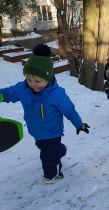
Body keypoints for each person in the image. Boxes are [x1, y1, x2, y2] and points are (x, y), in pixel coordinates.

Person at [0, 44, 89, 184]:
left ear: (48, 78)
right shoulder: (23, 89)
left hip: (53, 132)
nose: (33, 84)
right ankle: (60, 150)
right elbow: (8, 93)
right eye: (29, 80)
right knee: (44, 148)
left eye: (38, 81)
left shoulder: (57, 94)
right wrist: (1, 96)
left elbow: (70, 111)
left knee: (47, 157)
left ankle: (52, 174)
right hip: (36, 131)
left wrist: (79, 124)